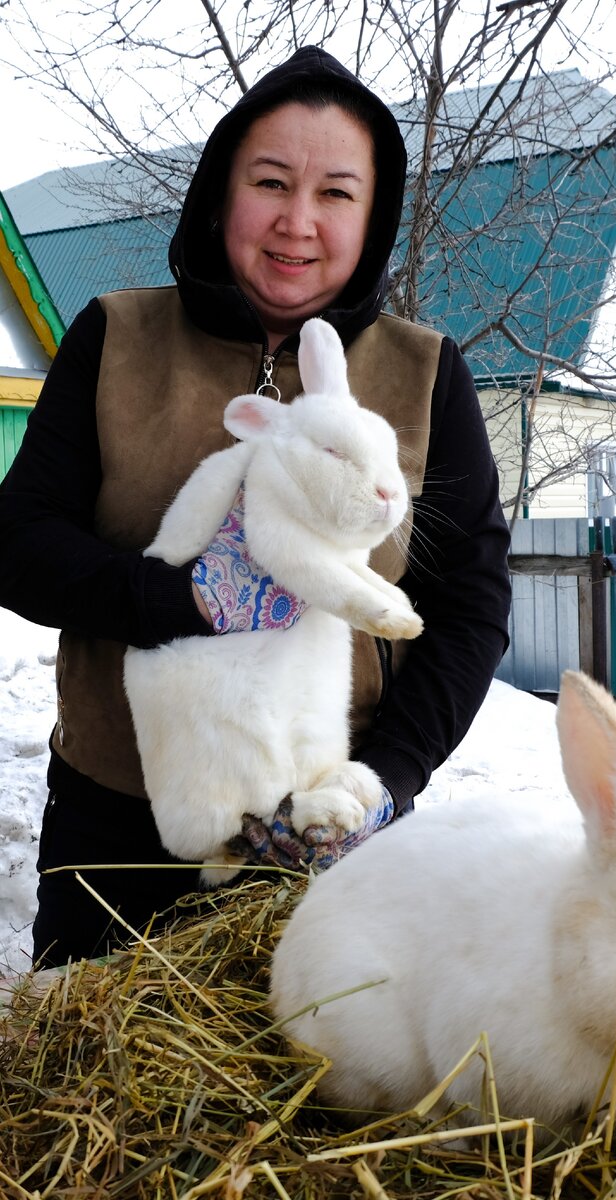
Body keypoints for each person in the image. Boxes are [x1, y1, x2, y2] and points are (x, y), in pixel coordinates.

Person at [0, 46, 511, 968]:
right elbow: (18, 542)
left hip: (320, 833)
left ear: (374, 213)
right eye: (270, 182)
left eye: (336, 194)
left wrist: (381, 784)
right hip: (117, 828)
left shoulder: (425, 372)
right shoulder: (117, 334)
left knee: (311, 1094)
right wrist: (178, 602)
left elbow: (469, 607)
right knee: (89, 1101)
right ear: (219, 192)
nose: (297, 222)